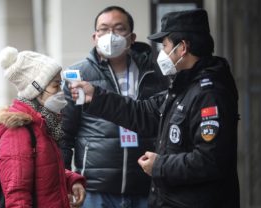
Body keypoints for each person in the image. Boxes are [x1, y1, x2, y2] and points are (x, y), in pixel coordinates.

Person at [68, 9, 240, 208]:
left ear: (182, 48)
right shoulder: (183, 86)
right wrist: (96, 97)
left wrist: (159, 166)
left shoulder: (209, 94)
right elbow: (143, 113)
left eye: (165, 45)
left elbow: (209, 160)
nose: (162, 53)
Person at [60, 6, 169, 208]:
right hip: (94, 190)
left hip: (146, 186)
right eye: (103, 29)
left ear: (132, 37)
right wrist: (65, 180)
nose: (110, 35)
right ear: (94, 36)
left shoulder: (155, 73)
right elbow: (65, 135)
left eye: (119, 28)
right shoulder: (77, 75)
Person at [0, 46, 86, 208]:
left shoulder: (41, 125)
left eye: (60, 84)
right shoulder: (18, 132)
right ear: (36, 90)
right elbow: (17, 196)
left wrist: (71, 181)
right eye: (55, 86)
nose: (61, 91)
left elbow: (44, 171)